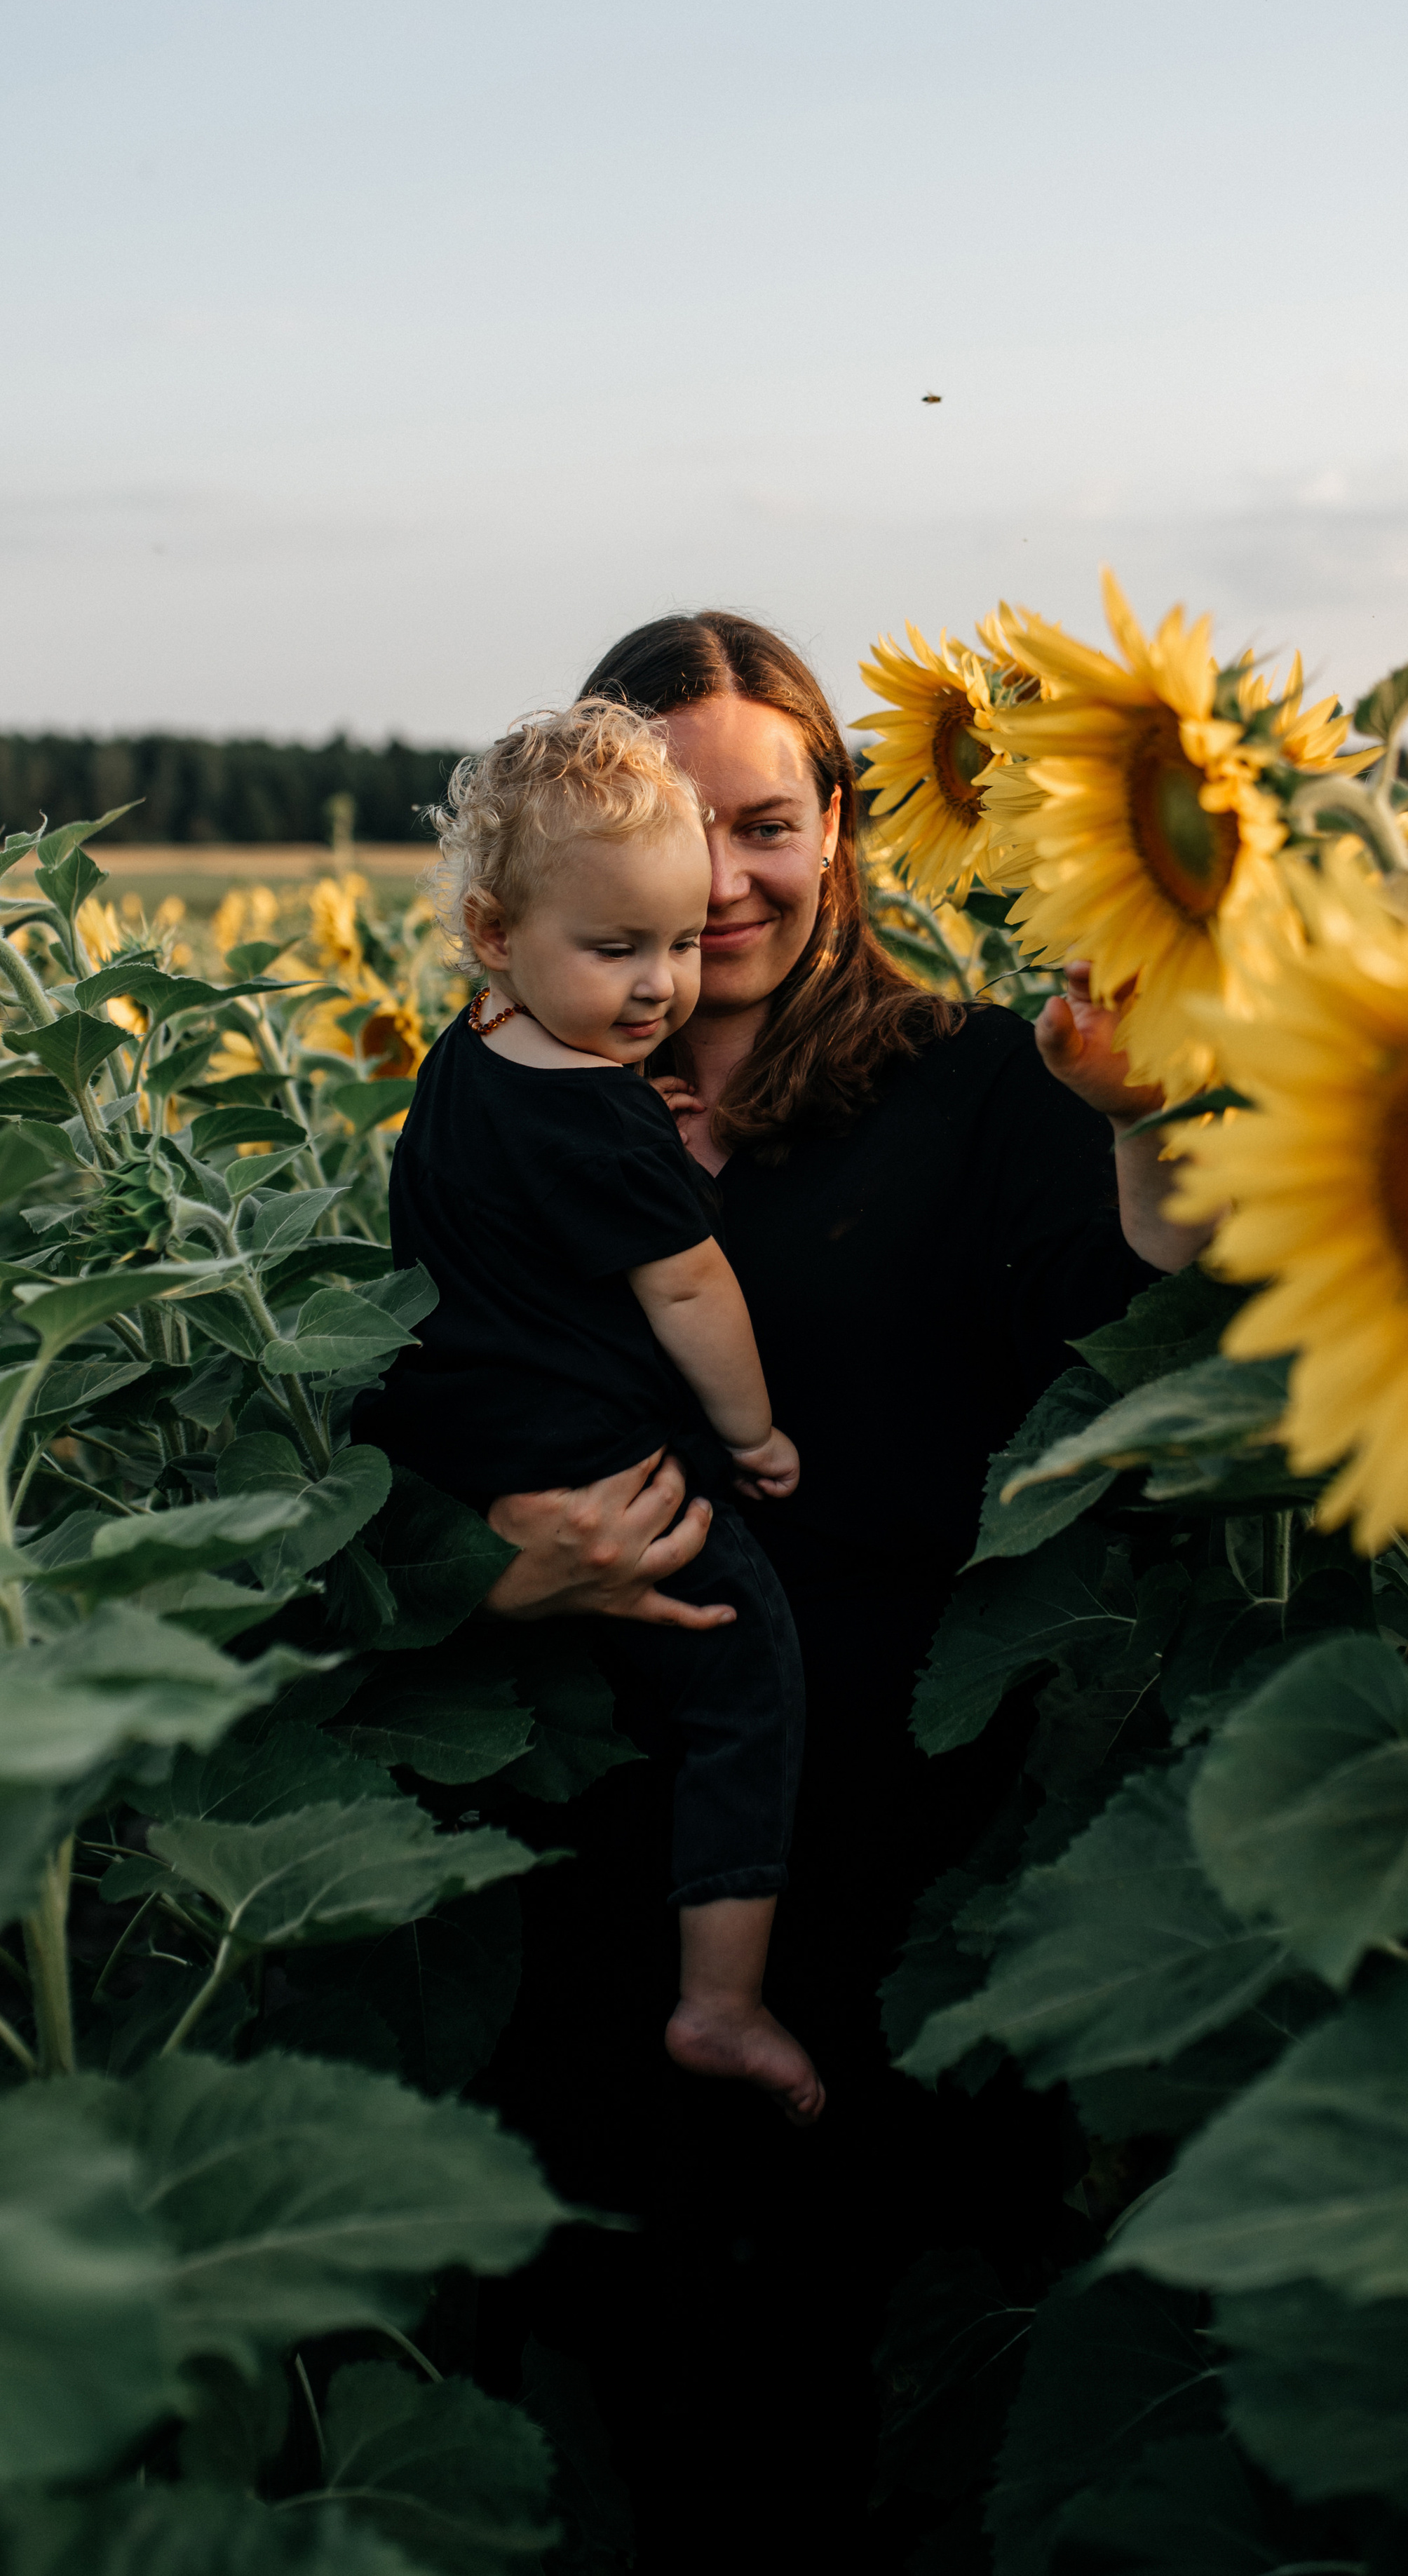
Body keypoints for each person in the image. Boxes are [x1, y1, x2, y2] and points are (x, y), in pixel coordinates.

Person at [470, 614, 1205, 2570]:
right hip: (607, 1854)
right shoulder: (506, 1108)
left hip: (899, 1847)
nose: (719, 883)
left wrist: (1147, 1112)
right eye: (664, 826)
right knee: (643, 2396)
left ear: (843, 827)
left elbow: (1147, 1338)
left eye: (767, 821)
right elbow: (418, 1423)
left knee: (869, 2399)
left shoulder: (977, 1087)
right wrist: (496, 1563)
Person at [355, 696, 822, 2122]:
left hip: (459, 1447)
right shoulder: (606, 1117)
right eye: (617, 950)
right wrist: (750, 1437)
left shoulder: (471, 1054)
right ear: (497, 935)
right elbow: (688, 1297)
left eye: (678, 946)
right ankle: (721, 2001)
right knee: (750, 1684)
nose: (660, 987)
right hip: (601, 1463)